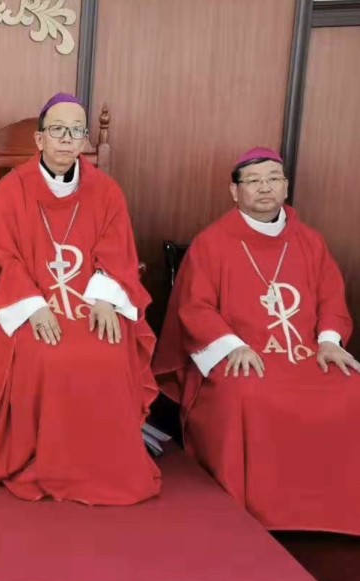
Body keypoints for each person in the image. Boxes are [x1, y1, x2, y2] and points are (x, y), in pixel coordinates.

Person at [154, 147, 360, 534]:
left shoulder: (311, 243)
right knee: (246, 393)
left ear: (286, 186)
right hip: (242, 355)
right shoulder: (212, 243)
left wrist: (331, 342)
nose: (264, 187)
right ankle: (253, 513)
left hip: (305, 355)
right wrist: (233, 346)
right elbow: (195, 308)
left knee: (353, 389)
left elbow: (332, 298)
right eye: (253, 181)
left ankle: (341, 511)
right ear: (235, 192)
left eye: (273, 179)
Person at [0, 93, 160, 506]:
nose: (66, 139)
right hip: (33, 307)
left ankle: (108, 466)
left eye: (75, 131)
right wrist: (35, 305)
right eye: (57, 130)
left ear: (84, 141)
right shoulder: (12, 189)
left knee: (111, 350)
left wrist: (106, 298)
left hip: (90, 306)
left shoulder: (106, 192)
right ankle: (47, 463)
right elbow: (1, 255)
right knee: (45, 355)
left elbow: (117, 253)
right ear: (40, 140)